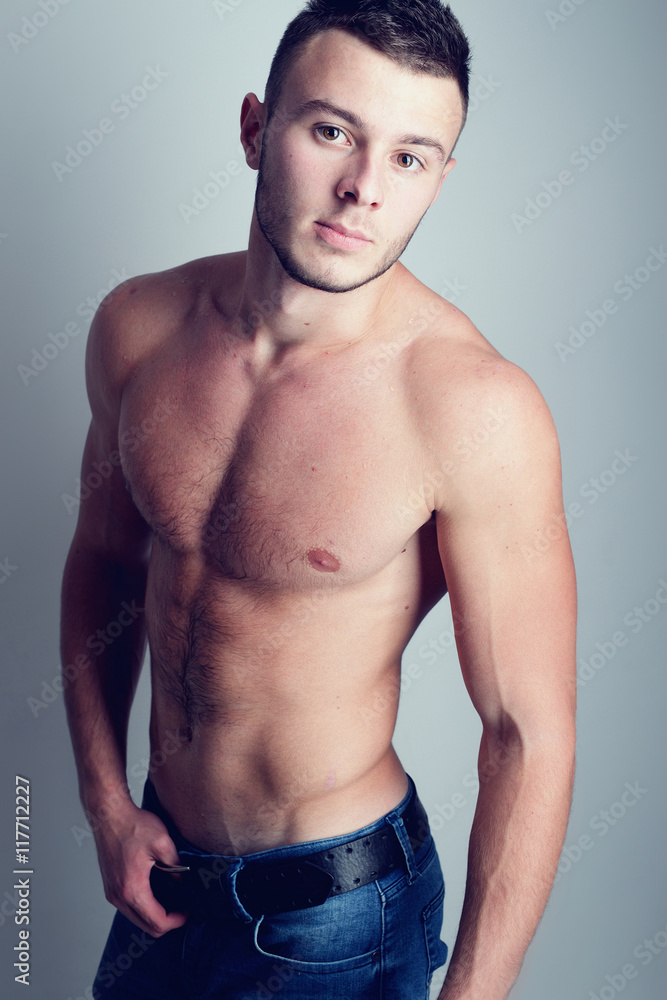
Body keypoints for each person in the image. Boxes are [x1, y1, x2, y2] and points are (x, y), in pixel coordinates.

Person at [61, 1, 577, 998]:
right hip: (159, 881)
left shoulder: (470, 406)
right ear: (258, 127)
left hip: (335, 917)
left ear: (441, 177)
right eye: (331, 130)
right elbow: (105, 558)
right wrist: (104, 804)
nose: (361, 191)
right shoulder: (138, 327)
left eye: (410, 157)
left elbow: (527, 731)